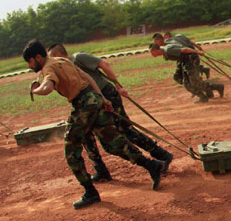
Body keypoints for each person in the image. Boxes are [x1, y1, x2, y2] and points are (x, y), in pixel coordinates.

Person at [24, 40, 165, 209]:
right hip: (94, 99)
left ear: (38, 57)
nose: (30, 66)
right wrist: (102, 98)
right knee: (112, 143)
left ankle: (90, 192)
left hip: (83, 105)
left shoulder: (48, 68)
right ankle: (152, 165)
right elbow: (87, 77)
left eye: (30, 62)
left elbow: (47, 88)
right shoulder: (62, 61)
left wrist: (35, 90)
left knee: (71, 150)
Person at [48, 44, 174, 180]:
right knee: (87, 135)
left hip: (107, 94)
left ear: (57, 55)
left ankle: (161, 154)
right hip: (92, 103)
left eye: (51, 58)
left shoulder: (78, 58)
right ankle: (101, 170)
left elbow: (104, 65)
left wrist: (118, 86)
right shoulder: (65, 69)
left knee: (124, 129)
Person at [149, 33, 223, 102]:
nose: (152, 55)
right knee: (187, 84)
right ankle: (204, 96)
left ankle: (215, 87)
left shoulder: (168, 49)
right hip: (185, 60)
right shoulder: (165, 48)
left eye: (152, 53)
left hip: (190, 58)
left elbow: (185, 49)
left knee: (194, 82)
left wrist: (198, 52)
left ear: (155, 50)